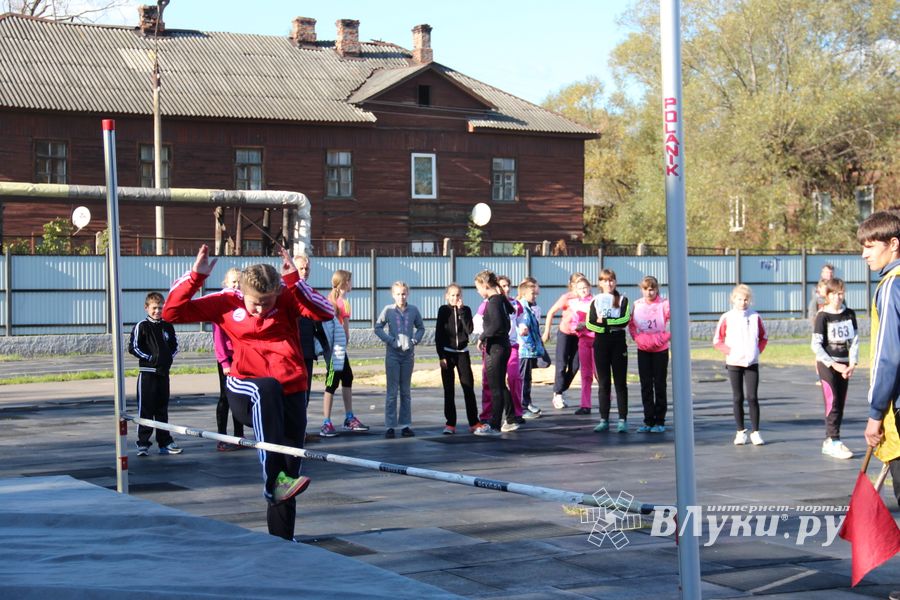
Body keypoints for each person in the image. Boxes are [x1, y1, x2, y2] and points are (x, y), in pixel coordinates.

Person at [163, 245, 333, 540]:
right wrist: (195, 278)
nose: (261, 310)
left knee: (290, 475)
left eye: (268, 303)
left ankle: (282, 541)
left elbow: (326, 311)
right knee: (266, 389)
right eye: (256, 303)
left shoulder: (287, 297)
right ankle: (270, 482)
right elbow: (171, 312)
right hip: (245, 388)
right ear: (242, 293)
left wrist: (294, 280)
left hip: (291, 392)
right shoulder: (226, 301)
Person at [859, 211, 900, 504]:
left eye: (870, 246)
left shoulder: (890, 288)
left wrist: (876, 415)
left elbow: (888, 356)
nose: (864, 254)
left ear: (893, 244)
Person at [713, 284, 768, 446]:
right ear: (733, 299)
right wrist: (730, 352)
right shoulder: (727, 317)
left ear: (750, 300)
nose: (743, 302)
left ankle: (756, 432)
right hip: (734, 363)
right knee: (738, 397)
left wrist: (757, 352)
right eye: (739, 299)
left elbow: (764, 337)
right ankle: (740, 431)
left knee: (752, 397)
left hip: (751, 362)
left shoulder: (755, 317)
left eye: (746, 299)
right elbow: (717, 340)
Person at [811, 277, 858, 459]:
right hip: (828, 365)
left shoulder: (849, 314)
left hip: (845, 364)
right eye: (834, 294)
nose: (838, 297)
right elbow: (816, 345)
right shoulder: (823, 316)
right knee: (832, 401)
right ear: (827, 296)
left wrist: (852, 363)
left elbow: (854, 341)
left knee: (841, 402)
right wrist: (834, 364)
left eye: (841, 293)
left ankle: (831, 439)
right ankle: (834, 439)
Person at [129, 291, 181, 456]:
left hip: (163, 374)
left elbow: (174, 346)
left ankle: (164, 442)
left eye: (160, 308)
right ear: (146, 308)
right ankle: (143, 443)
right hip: (147, 374)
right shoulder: (142, 326)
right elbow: (134, 347)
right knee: (146, 409)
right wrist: (152, 358)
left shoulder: (167, 326)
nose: (157, 311)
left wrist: (166, 359)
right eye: (154, 308)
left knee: (162, 409)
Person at [318, 270, 369, 438]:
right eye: (351, 281)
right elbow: (345, 333)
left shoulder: (328, 300)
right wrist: (342, 345)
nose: (352, 284)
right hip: (337, 350)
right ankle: (326, 422)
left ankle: (349, 418)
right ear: (346, 283)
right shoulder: (343, 303)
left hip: (331, 347)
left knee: (347, 377)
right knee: (332, 381)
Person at [374, 281, 425, 439]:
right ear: (393, 295)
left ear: (407, 294)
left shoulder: (414, 310)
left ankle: (405, 425)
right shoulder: (388, 310)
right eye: (398, 294)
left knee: (405, 391)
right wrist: (390, 340)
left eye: (403, 293)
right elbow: (378, 327)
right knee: (392, 392)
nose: (401, 297)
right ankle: (390, 426)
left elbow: (421, 328)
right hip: (393, 356)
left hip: (408, 356)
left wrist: (414, 340)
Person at [587, 269, 632, 433]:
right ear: (600, 283)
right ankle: (604, 419)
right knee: (604, 383)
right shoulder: (595, 301)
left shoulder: (623, 300)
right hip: (601, 342)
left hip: (618, 342)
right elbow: (590, 324)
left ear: (616, 282)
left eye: (611, 280)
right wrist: (607, 326)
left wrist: (604, 321)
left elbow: (624, 320)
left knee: (620, 382)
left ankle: (622, 419)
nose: (609, 283)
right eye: (605, 281)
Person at [472, 270, 514, 436]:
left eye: (478, 288)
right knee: (500, 386)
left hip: (496, 348)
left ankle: (495, 424)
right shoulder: (500, 300)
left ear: (485, 285)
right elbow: (506, 324)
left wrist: (482, 337)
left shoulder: (494, 301)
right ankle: (510, 417)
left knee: (495, 387)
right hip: (502, 345)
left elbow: (496, 325)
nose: (477, 292)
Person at [435, 283, 479, 435]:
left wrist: (461, 312)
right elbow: (438, 335)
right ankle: (450, 424)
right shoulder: (443, 310)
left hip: (462, 353)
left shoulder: (466, 310)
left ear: (461, 296)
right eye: (452, 295)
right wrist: (441, 356)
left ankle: (474, 422)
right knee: (449, 390)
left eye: (458, 295)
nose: (455, 298)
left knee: (468, 388)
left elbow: (470, 330)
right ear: (447, 296)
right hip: (447, 354)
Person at [628, 276, 671, 433]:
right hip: (644, 349)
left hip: (660, 349)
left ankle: (660, 420)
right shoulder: (637, 305)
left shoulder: (664, 304)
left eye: (652, 289)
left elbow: (677, 321)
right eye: (646, 289)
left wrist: (665, 337)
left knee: (659, 384)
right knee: (646, 385)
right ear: (642, 289)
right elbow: (632, 325)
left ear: (657, 289)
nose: (649, 292)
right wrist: (638, 338)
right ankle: (648, 420)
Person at [213, 268, 246, 451]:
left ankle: (239, 435)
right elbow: (218, 338)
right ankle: (221, 436)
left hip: (241, 358)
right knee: (225, 397)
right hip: (227, 359)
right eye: (233, 281)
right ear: (226, 283)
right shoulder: (221, 304)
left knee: (239, 396)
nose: (236, 285)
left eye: (239, 282)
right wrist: (224, 362)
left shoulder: (243, 304)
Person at [542, 272, 585, 409]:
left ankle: (560, 389)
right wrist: (546, 331)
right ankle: (558, 393)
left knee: (575, 366)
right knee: (561, 364)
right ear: (572, 285)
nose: (581, 286)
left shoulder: (588, 298)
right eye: (578, 282)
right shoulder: (567, 297)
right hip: (565, 333)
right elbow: (550, 312)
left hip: (579, 335)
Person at [293, 254, 329, 409]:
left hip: (307, 350)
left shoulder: (309, 292)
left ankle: (302, 431)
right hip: (292, 351)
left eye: (307, 268)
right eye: (301, 268)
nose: (304, 271)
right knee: (292, 393)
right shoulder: (289, 291)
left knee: (305, 391)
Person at [516, 277, 545, 419]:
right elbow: (522, 327)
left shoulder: (529, 307)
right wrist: (530, 343)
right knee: (523, 378)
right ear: (523, 294)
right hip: (524, 349)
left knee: (527, 377)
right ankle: (521, 406)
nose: (535, 296)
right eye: (532, 294)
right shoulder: (522, 308)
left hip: (529, 350)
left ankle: (526, 403)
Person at [569, 276, 595, 415]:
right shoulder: (574, 304)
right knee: (585, 373)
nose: (583, 290)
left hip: (596, 340)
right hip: (583, 340)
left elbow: (599, 319)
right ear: (576, 291)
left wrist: (586, 323)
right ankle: (585, 404)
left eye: (585, 287)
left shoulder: (595, 301)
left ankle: (606, 399)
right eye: (580, 289)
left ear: (589, 287)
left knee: (599, 373)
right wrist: (576, 327)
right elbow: (572, 323)